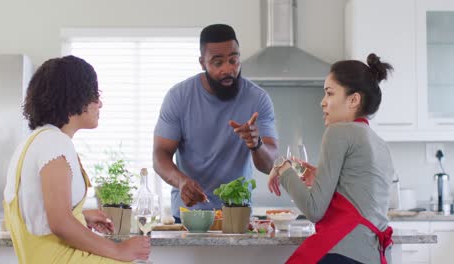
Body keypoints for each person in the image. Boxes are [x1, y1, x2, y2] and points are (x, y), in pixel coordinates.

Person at [3, 55, 150, 263]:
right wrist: (119, 250)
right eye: (94, 94)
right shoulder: (54, 143)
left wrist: (82, 217)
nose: (100, 103)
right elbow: (59, 223)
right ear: (75, 97)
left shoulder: (34, 142)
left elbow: (38, 214)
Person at [268, 53, 395, 264]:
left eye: (329, 93)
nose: (322, 102)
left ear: (353, 99)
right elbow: (362, 196)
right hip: (373, 255)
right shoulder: (379, 143)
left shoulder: (339, 132)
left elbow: (313, 209)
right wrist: (321, 177)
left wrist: (282, 166)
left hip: (345, 253)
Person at [153, 24, 278, 221]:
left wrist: (257, 144)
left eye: (233, 60)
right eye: (218, 63)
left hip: (237, 215)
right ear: (202, 63)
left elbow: (270, 165)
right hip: (189, 216)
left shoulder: (258, 99)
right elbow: (160, 155)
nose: (228, 69)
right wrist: (181, 181)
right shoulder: (179, 97)